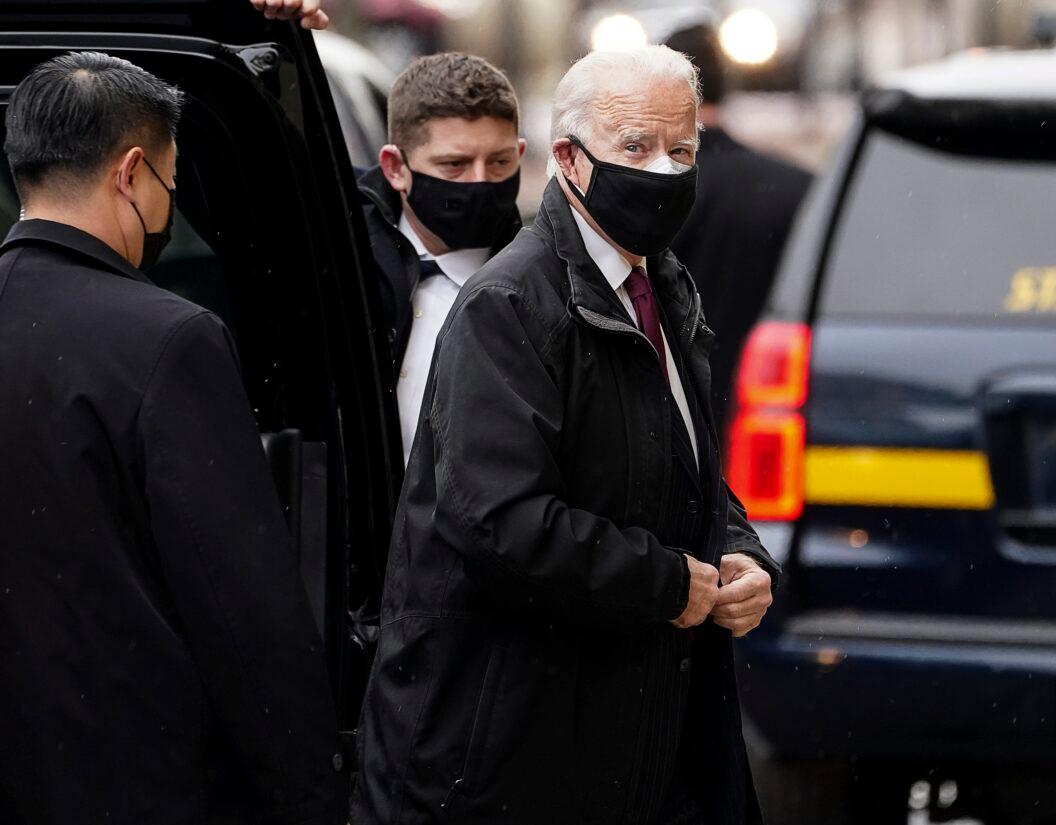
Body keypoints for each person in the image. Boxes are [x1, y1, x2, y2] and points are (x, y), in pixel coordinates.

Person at [353, 46, 778, 825]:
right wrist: (667, 582)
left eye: (680, 150)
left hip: (634, 732)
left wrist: (739, 552)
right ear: (571, 162)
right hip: (515, 751)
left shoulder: (663, 286)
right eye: (635, 148)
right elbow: (501, 524)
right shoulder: (509, 305)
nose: (661, 172)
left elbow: (678, 463)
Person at [0, 48, 346, 824]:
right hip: (138, 783)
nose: (167, 210)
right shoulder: (168, 338)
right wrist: (309, 793)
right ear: (131, 172)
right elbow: (241, 607)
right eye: (170, 183)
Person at [356, 52, 524, 463]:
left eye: (500, 163)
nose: (481, 182)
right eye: (455, 165)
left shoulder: (538, 283)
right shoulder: (344, 244)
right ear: (395, 167)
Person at [664, 24, 813, 436]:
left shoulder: (642, 195)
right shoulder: (796, 188)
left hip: (672, 426)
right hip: (771, 414)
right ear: (727, 84)